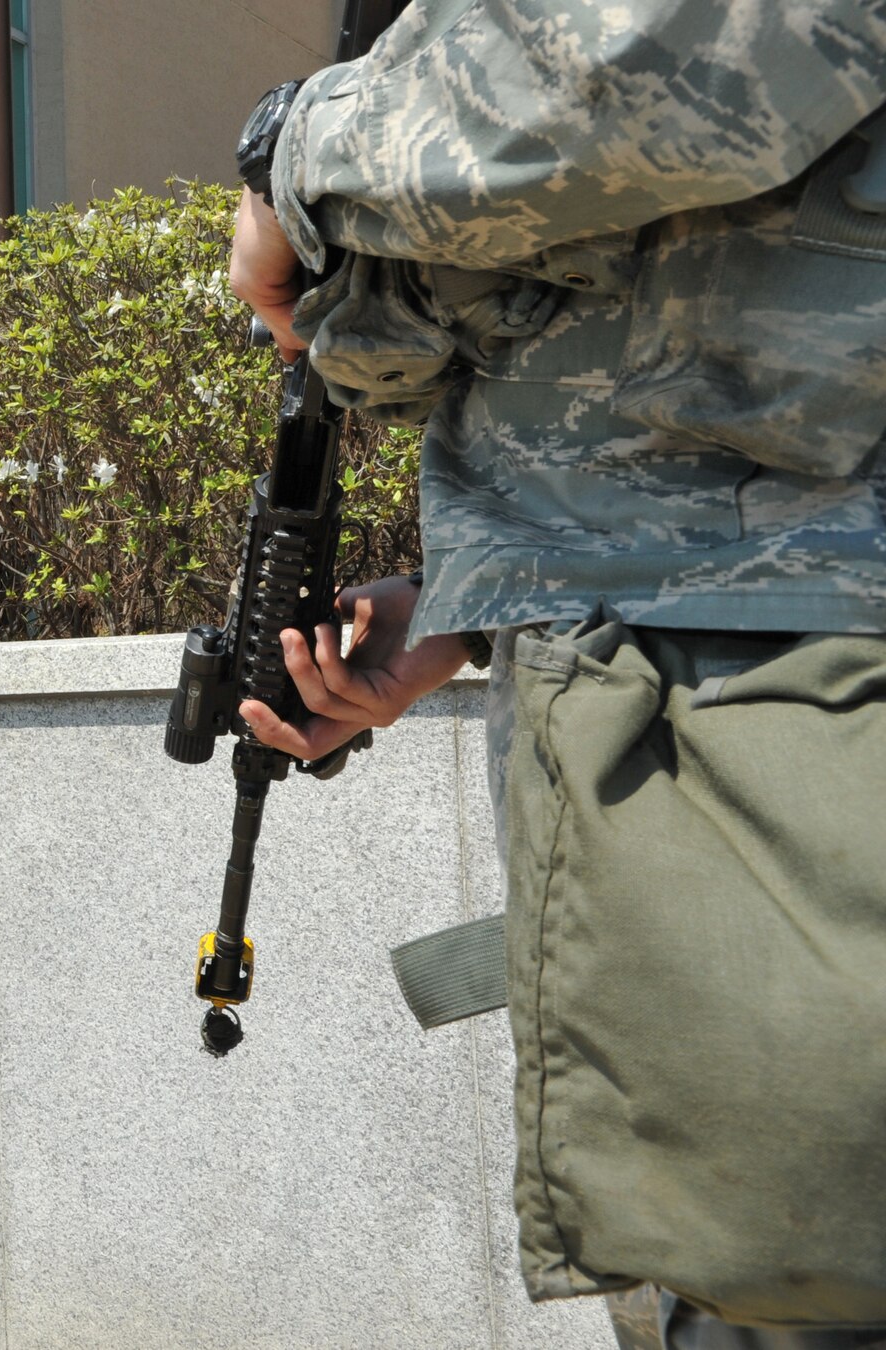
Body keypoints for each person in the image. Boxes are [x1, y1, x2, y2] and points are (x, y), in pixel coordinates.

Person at [223, 2, 886, 1346]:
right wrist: (476, 605)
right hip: (727, 679)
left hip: (786, 698)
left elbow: (694, 39)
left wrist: (302, 157)